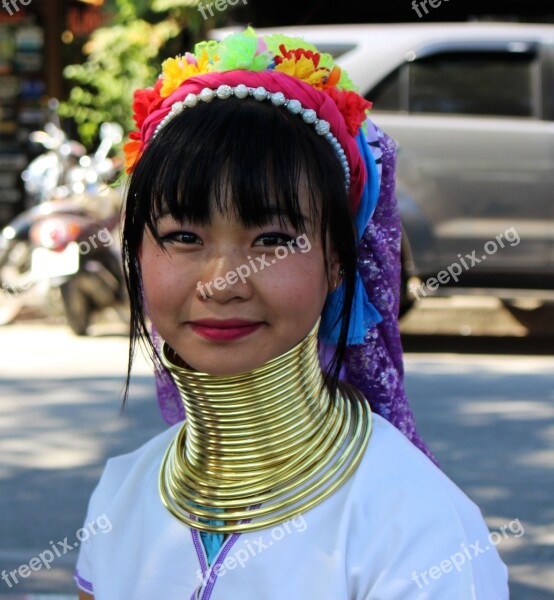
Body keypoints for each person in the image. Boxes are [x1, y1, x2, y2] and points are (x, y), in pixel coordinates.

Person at [74, 27, 508, 599]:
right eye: (183, 235)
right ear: (137, 255)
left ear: (336, 262)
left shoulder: (419, 524)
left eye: (272, 239)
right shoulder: (121, 496)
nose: (220, 283)